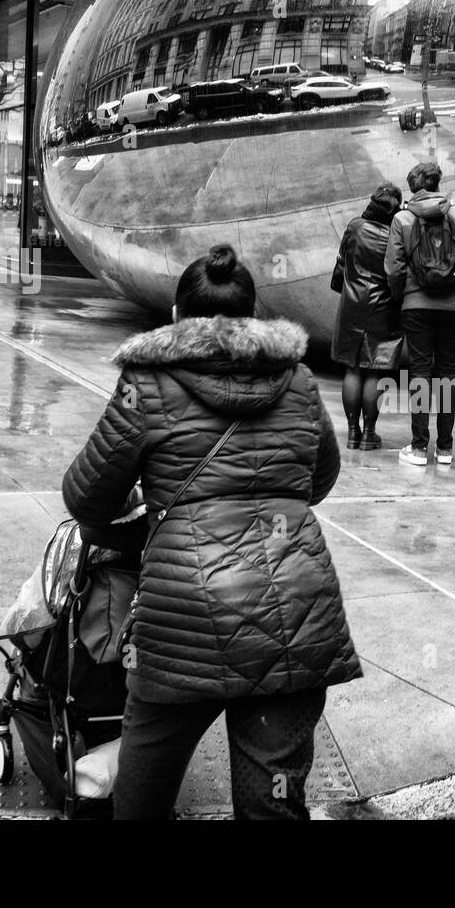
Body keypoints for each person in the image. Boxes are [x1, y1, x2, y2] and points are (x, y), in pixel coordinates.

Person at [61, 244, 362, 820]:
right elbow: (318, 480)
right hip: (295, 622)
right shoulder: (298, 381)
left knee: (142, 800)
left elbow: (86, 498)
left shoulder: (146, 385)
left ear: (177, 316)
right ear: (252, 319)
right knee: (271, 805)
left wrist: (145, 508)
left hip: (184, 625)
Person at [384, 162, 455, 467]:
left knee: (420, 374)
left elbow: (394, 269)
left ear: (412, 187)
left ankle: (417, 447)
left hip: (417, 305)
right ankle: (445, 449)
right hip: (454, 305)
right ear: (439, 184)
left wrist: (404, 297)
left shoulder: (402, 218)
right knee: (447, 374)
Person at [330, 182, 403, 451]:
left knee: (352, 368)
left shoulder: (355, 227)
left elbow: (342, 260)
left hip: (352, 304)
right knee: (376, 369)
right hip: (383, 308)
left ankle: (352, 431)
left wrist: (340, 286)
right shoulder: (396, 234)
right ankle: (369, 433)